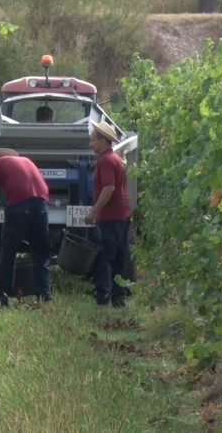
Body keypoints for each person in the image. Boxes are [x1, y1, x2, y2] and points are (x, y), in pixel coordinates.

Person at [0, 148, 51, 306]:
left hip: (19, 206)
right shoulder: (26, 161)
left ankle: (2, 296)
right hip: (42, 205)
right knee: (41, 253)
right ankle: (44, 297)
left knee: (8, 252)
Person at [85, 121, 131, 307]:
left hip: (111, 216)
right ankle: (118, 298)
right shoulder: (116, 159)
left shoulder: (104, 160)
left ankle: (103, 297)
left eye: (93, 140)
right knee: (120, 256)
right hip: (122, 215)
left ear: (103, 141)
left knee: (105, 257)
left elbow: (109, 188)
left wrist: (94, 211)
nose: (90, 144)